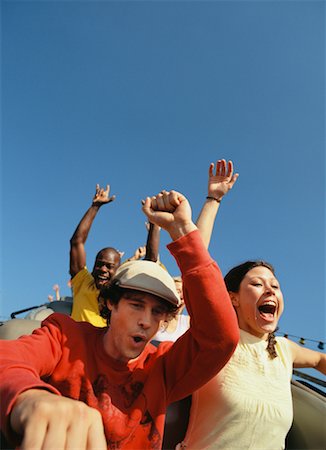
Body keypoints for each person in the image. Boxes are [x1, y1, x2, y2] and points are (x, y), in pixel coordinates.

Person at [0, 189, 239, 450]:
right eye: (136, 305)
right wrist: (30, 397)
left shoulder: (163, 367)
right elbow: (8, 359)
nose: (146, 321)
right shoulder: (64, 336)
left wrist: (182, 229)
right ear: (110, 302)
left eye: (157, 311)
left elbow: (220, 338)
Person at [177, 272, 326, 445]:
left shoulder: (283, 348)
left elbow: (319, 360)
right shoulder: (215, 338)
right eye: (257, 284)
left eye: (275, 286)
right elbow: (196, 270)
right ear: (233, 298)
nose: (270, 290)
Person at [155, 158, 239, 343]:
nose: (178, 296)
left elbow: (195, 258)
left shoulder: (191, 326)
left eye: (183, 293)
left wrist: (214, 199)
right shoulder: (147, 321)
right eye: (175, 291)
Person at [70, 183, 121, 327]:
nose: (103, 269)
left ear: (118, 270)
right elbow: (76, 242)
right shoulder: (83, 282)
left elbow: (151, 261)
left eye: (109, 266)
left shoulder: (122, 296)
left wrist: (154, 226)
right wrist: (95, 207)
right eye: (99, 264)